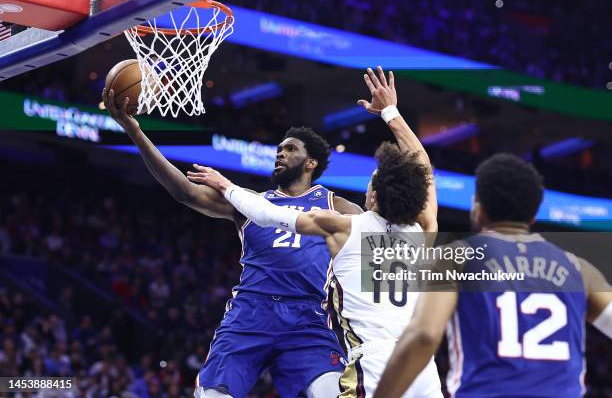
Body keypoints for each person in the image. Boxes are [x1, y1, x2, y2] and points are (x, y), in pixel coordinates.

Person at [188, 67, 443, 398]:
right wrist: (392, 114)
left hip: (375, 362)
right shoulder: (425, 230)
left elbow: (267, 213)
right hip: (423, 366)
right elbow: (422, 164)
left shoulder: (346, 226)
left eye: (369, 186)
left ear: (375, 197)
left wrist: (227, 186)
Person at [102, 82, 365, 398]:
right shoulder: (249, 202)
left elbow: (380, 247)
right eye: (279, 148)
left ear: (311, 163)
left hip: (308, 319)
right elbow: (183, 192)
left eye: (291, 149)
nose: (281, 153)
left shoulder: (339, 206)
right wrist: (134, 131)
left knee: (333, 394)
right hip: (249, 315)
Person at [373, 153, 612, 398]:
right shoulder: (579, 268)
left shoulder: (455, 257)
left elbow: (424, 335)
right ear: (533, 215)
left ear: (479, 208)